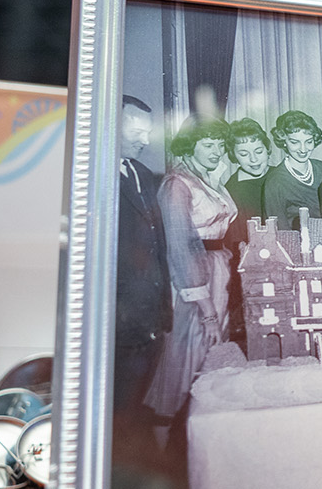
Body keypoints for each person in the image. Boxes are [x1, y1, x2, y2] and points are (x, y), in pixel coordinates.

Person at [144, 122, 240, 423]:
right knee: (189, 357)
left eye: (220, 144)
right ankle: (171, 446)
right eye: (207, 145)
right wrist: (207, 309)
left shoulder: (209, 179)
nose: (217, 151)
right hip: (195, 281)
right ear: (189, 145)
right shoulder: (177, 184)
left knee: (212, 356)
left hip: (219, 272)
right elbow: (180, 247)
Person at [112, 97, 172, 444]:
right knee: (119, 414)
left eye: (148, 132)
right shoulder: (92, 176)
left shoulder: (143, 175)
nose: (145, 141)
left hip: (149, 317)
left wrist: (164, 308)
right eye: (136, 131)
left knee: (136, 406)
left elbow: (157, 245)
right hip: (120, 322)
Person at [261, 111, 322, 228]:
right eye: (295, 142)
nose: (303, 149)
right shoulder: (275, 181)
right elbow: (279, 230)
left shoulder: (321, 168)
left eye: (309, 142)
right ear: (284, 141)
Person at [226, 120, 274, 223]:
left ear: (267, 149)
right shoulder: (232, 191)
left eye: (258, 151)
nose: (253, 159)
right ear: (233, 155)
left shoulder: (281, 175)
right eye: (244, 154)